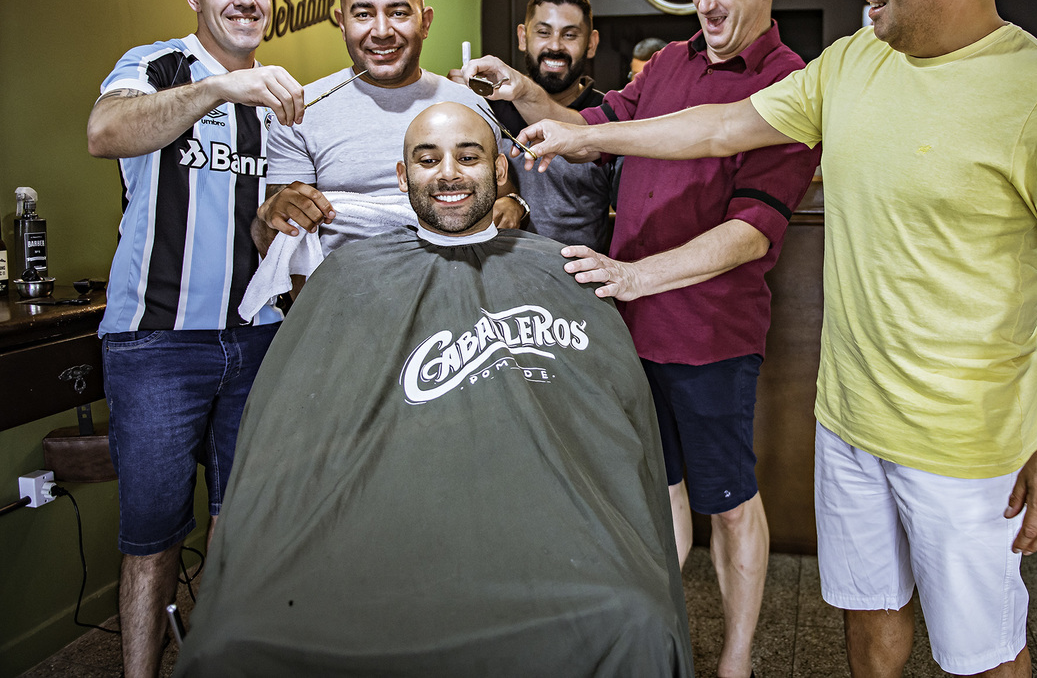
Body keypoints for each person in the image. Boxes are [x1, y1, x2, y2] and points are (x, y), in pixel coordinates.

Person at [513, 0, 1037, 678]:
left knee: (984, 654)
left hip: (965, 449)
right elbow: (718, 128)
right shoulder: (851, 63)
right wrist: (586, 135)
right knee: (868, 621)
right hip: (847, 424)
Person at [175, 103, 694, 677]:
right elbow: (294, 429)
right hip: (386, 516)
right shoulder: (349, 277)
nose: (448, 173)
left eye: (468, 157)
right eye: (428, 160)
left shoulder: (563, 272)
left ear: (500, 171)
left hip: (542, 521)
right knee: (237, 633)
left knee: (637, 616)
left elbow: (612, 424)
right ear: (403, 177)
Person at [466, 0, 820, 678]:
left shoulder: (789, 85)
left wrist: (635, 276)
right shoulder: (669, 64)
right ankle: (660, 644)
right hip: (630, 332)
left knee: (730, 502)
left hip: (711, 337)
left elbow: (752, 233)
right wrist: (519, 89)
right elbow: (589, 127)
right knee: (660, 494)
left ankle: (736, 662)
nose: (706, 1)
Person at [85, 0, 305, 678]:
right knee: (152, 540)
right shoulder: (157, 64)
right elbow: (106, 132)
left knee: (239, 527)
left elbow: (268, 234)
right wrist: (217, 88)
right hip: (155, 343)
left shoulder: (281, 97)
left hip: (257, 339)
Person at [254, 0, 525, 271]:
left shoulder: (469, 105)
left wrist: (513, 204)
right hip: (344, 292)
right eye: (363, 14)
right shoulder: (302, 111)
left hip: (457, 285)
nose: (382, 31)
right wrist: (273, 214)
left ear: (425, 22)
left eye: (398, 13)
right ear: (342, 23)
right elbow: (283, 240)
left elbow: (502, 196)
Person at [454, 0, 615, 252]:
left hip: (579, 274)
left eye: (570, 35)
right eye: (543, 32)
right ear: (522, 37)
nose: (555, 46)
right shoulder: (488, 109)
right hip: (495, 268)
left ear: (591, 43)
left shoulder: (608, 116)